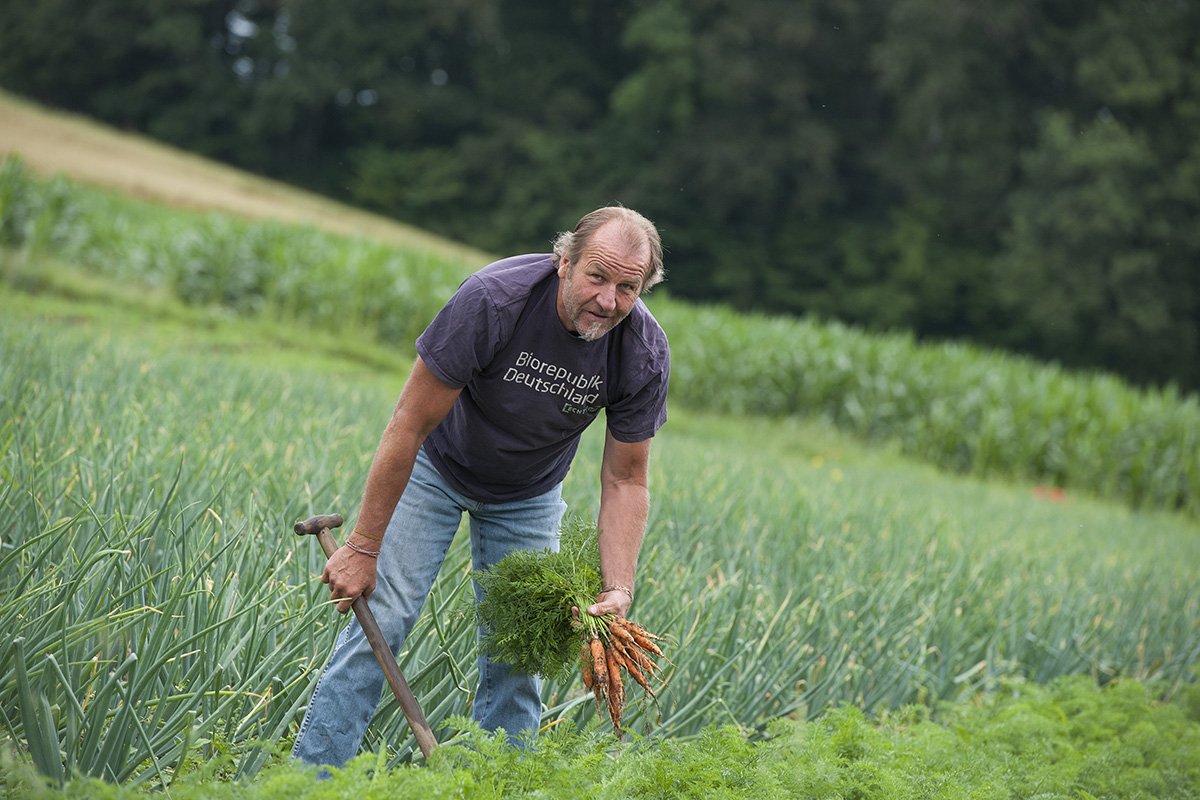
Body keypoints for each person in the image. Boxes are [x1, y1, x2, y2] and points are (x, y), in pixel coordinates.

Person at [292, 206, 670, 766]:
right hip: (437, 468)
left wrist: (619, 588)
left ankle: (497, 782)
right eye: (597, 276)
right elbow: (409, 424)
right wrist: (363, 546)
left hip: (529, 495)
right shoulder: (496, 299)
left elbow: (625, 477)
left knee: (520, 656)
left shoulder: (640, 351)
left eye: (627, 287)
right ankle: (310, 780)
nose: (609, 301)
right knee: (382, 622)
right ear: (563, 262)